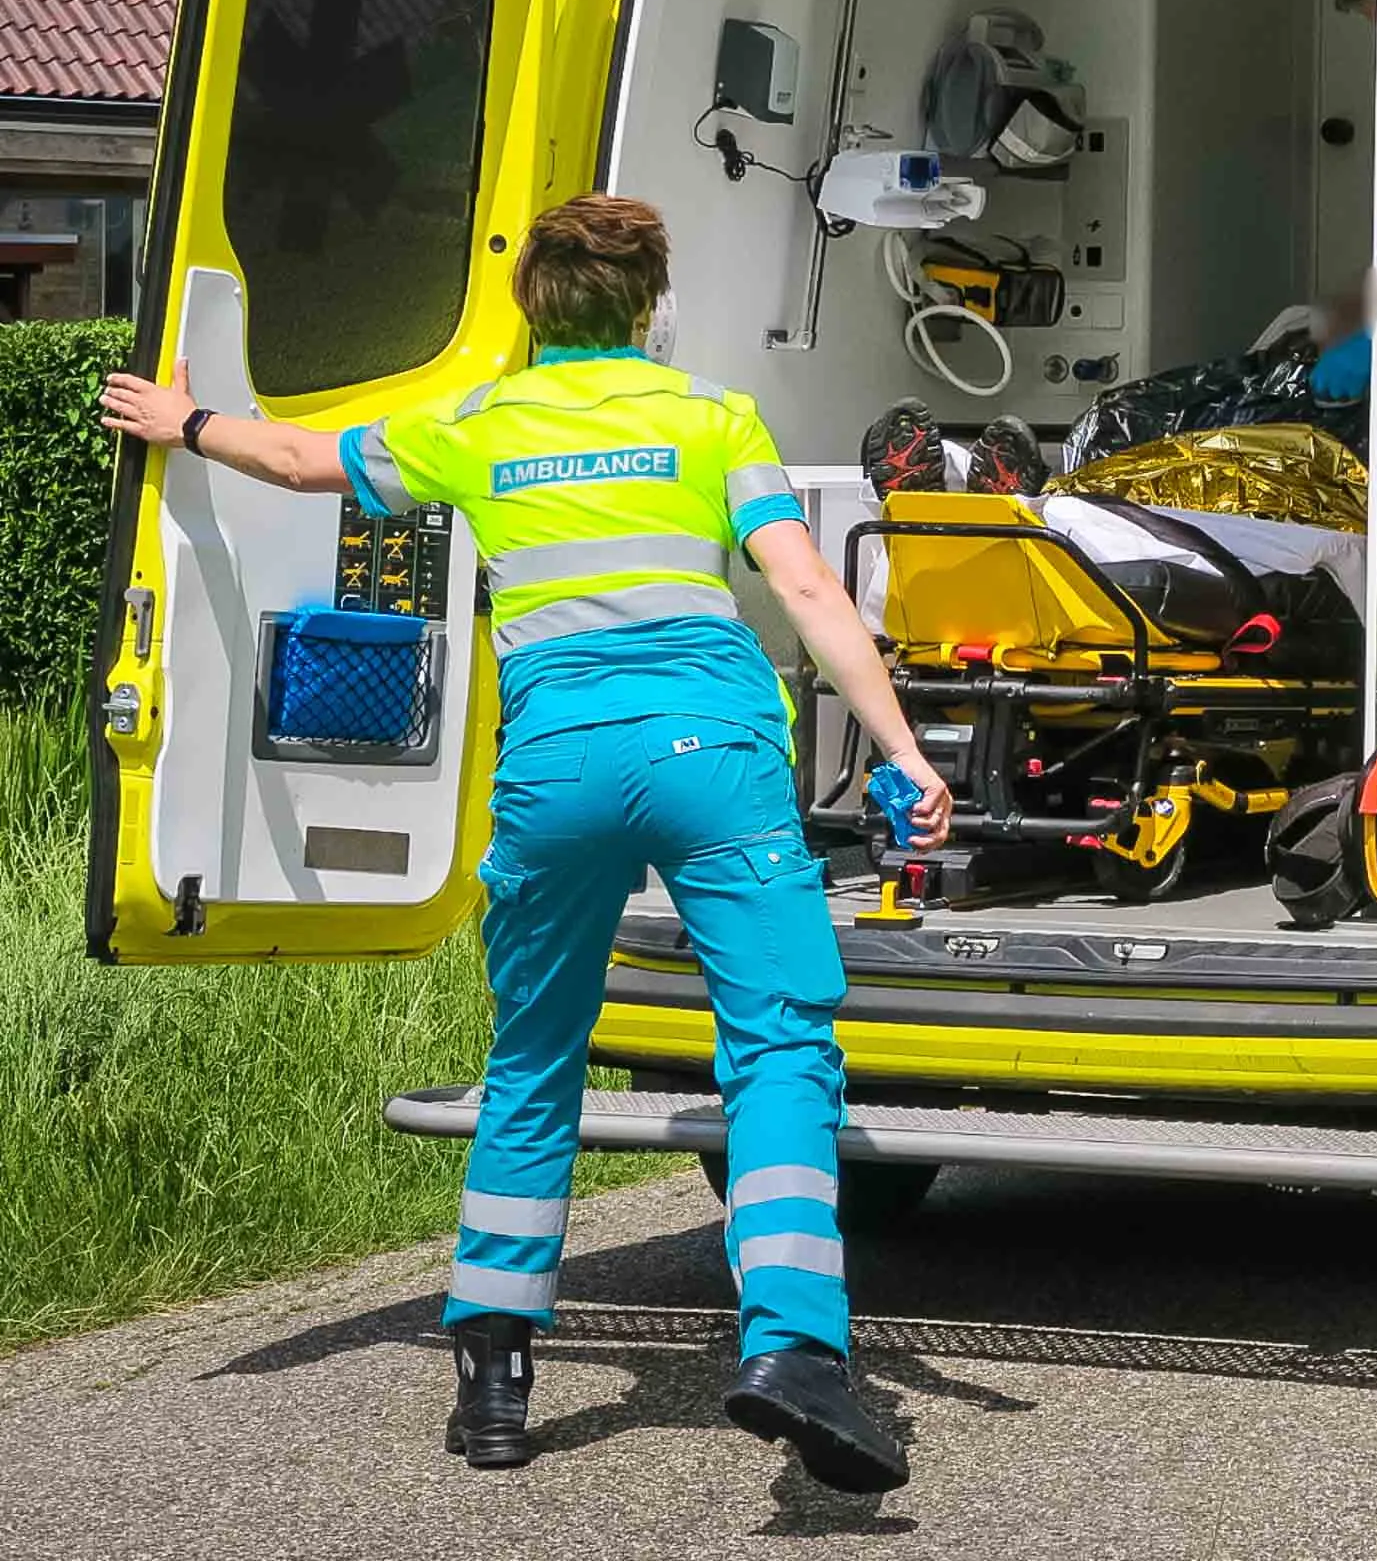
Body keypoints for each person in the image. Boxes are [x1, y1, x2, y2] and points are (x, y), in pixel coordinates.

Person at [97, 196, 953, 1492]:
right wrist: (900, 748)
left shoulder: (479, 427)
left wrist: (187, 424)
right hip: (713, 758)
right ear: (649, 306)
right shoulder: (709, 417)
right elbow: (809, 588)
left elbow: (296, 462)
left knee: (535, 1057)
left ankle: (494, 1373)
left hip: (558, 773)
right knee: (779, 1050)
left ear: (529, 309)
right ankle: (795, 1354)